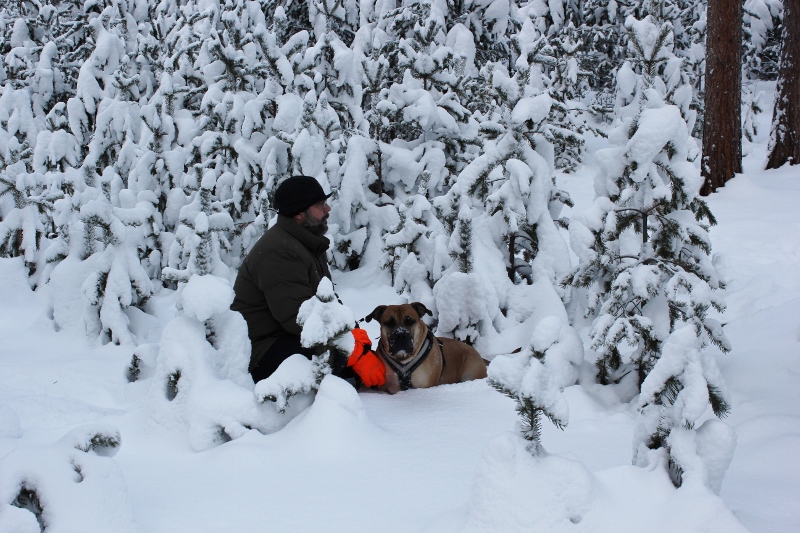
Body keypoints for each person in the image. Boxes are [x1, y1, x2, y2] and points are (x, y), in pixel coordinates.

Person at [231, 175, 385, 387]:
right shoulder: (279, 251)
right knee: (336, 354)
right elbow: (298, 319)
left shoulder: (304, 242)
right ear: (298, 214)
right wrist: (351, 349)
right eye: (320, 205)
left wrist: (353, 332)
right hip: (260, 354)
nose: (328, 209)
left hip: (283, 339)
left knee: (347, 349)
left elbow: (326, 301)